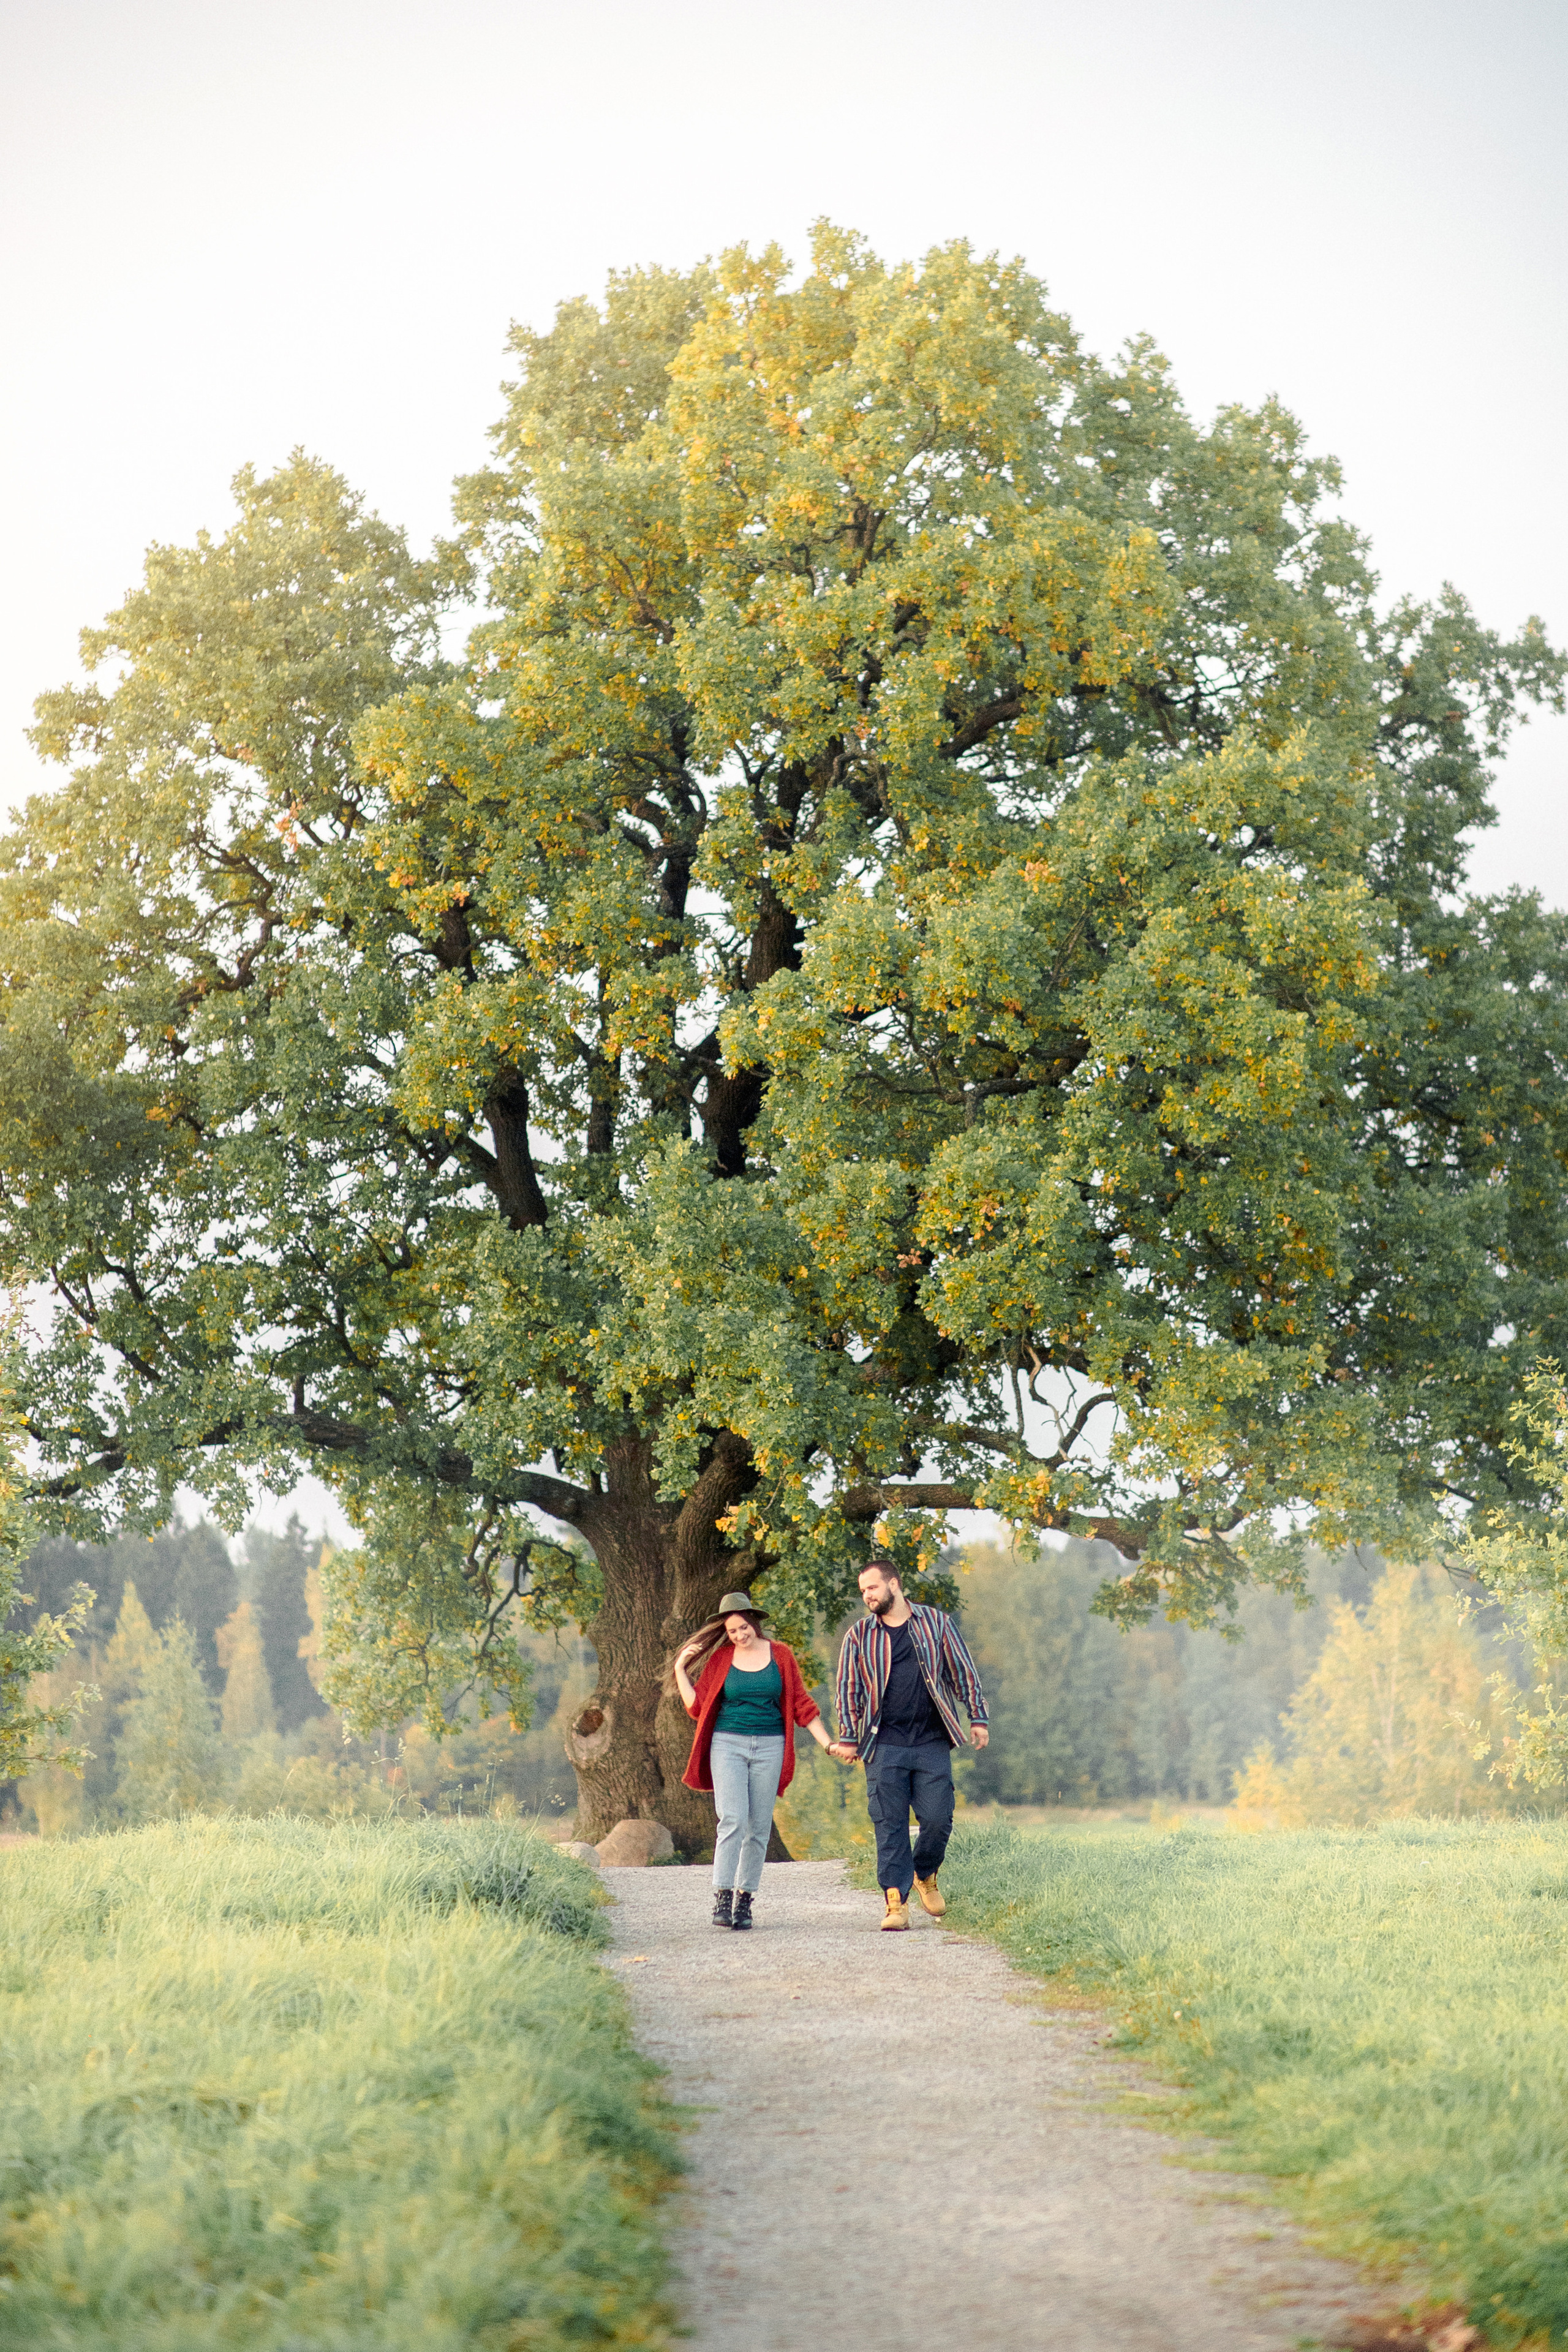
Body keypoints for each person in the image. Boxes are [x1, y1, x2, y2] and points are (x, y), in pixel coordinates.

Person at [674, 1590, 853, 1930]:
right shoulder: (721, 1659)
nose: (739, 1635)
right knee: (732, 1819)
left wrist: (829, 1745)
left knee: (758, 1827)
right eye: (732, 1631)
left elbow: (802, 1705)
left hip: (771, 1747)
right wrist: (680, 1668)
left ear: (754, 1622)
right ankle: (723, 1897)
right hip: (728, 1744)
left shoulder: (781, 1655)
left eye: (743, 1627)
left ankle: (744, 1900)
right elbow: (697, 1707)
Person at [834, 1557, 989, 1932]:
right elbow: (848, 1689)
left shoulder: (936, 1623)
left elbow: (963, 1671)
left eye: (872, 1587)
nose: (867, 1596)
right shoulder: (859, 1635)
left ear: (894, 1584)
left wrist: (978, 1716)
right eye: (863, 1591)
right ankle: (896, 1903)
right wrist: (848, 1736)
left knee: (938, 1819)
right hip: (883, 1743)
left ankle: (924, 1873)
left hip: (931, 1740)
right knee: (889, 1824)